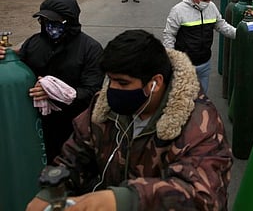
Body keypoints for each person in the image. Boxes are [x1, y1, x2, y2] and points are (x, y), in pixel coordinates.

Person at [26, 29, 233, 211]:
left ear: (155, 83)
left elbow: (203, 197)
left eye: (123, 83)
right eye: (111, 80)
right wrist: (52, 192)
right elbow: (75, 154)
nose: (112, 89)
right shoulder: (103, 108)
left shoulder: (199, 122)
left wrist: (126, 200)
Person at [0, 0, 104, 164]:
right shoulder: (34, 43)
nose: (49, 26)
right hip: (36, 123)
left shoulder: (90, 49)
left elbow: (93, 92)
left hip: (72, 127)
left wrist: (60, 93)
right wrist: (6, 56)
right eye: (44, 21)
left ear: (70, 22)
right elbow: (18, 71)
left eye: (55, 22)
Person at [163, 0, 236, 94]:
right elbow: (169, 35)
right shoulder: (178, 11)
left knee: (202, 98)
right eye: (204, 0)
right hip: (184, 65)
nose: (207, 3)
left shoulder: (211, 7)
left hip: (204, 63)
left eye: (209, 0)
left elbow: (221, 25)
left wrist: (239, 33)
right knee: (183, 99)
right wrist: (172, 59)